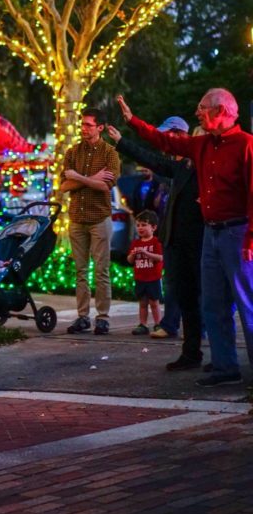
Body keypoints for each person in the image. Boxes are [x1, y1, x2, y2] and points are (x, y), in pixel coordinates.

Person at [118, 91, 253, 386]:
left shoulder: (245, 145)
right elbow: (165, 143)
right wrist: (133, 123)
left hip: (237, 232)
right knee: (213, 305)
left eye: (202, 109)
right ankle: (224, 367)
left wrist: (250, 239)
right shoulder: (203, 144)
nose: (197, 113)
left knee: (246, 303)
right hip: (212, 233)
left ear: (220, 110)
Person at [107, 117, 203, 369]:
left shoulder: (205, 167)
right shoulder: (181, 166)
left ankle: (216, 355)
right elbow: (152, 158)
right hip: (174, 239)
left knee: (204, 297)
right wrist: (122, 140)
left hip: (199, 240)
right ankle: (191, 351)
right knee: (184, 295)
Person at [61, 107, 121, 335]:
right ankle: (83, 316)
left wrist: (77, 177)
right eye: (82, 124)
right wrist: (88, 179)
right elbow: (64, 186)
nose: (83, 129)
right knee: (80, 271)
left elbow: (106, 185)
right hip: (77, 218)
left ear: (100, 127)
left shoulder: (110, 154)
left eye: (88, 125)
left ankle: (103, 317)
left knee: (101, 270)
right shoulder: (72, 153)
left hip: (99, 219)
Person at [127, 210, 164, 336]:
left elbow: (160, 257)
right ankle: (143, 324)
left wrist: (146, 253)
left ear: (153, 227)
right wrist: (132, 255)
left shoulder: (156, 242)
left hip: (153, 278)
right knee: (142, 302)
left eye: (144, 225)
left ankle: (158, 323)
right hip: (140, 278)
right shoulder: (135, 244)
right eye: (138, 225)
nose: (140, 228)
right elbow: (130, 260)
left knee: (154, 302)